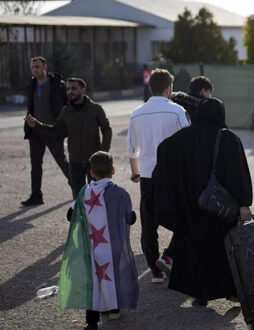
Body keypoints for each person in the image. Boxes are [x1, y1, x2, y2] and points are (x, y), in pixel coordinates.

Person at [152, 93, 252, 307]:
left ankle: (200, 294)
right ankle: (231, 291)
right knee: (224, 250)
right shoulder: (228, 138)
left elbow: (163, 150)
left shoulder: (183, 138)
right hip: (219, 209)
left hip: (191, 206)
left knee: (196, 250)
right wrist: (244, 202)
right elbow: (238, 174)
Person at [59, 151, 138, 330]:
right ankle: (113, 309)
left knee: (92, 280)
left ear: (92, 173)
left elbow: (70, 215)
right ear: (113, 170)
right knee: (112, 275)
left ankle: (92, 320)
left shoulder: (84, 193)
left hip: (90, 246)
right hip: (114, 246)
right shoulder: (121, 194)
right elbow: (131, 218)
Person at [126, 69, 190, 284]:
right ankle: (169, 256)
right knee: (184, 218)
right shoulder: (177, 111)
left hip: (147, 175)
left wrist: (135, 172)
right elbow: (189, 141)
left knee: (149, 223)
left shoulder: (137, 113)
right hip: (172, 175)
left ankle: (156, 271)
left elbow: (131, 149)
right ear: (168, 88)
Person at [26, 78, 112, 198]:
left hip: (93, 161)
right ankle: (80, 217)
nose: (70, 91)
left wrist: (103, 153)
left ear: (83, 90)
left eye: (73, 88)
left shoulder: (95, 109)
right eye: (68, 89)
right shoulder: (66, 111)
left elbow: (107, 130)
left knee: (97, 198)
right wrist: (37, 125)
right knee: (78, 199)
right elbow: (55, 130)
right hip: (75, 162)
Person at [22, 56, 70, 206]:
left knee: (62, 161)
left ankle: (78, 188)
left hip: (53, 130)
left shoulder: (57, 84)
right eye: (32, 67)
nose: (35, 69)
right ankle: (36, 195)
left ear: (45, 67)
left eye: (37, 66)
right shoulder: (32, 84)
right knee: (35, 164)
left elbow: (66, 105)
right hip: (35, 131)